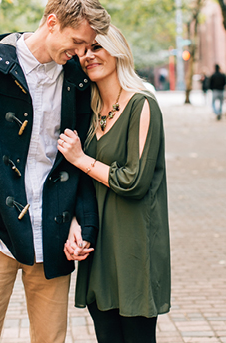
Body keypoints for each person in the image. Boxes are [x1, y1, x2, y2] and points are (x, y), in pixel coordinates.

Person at [0, 0, 110, 343]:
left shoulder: (77, 80)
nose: (82, 53)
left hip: (53, 231)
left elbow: (80, 160)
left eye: (87, 45)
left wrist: (82, 222)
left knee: (51, 339)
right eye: (77, 41)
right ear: (52, 22)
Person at [57, 25, 171, 343]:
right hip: (99, 245)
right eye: (82, 51)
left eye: (97, 48)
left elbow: (134, 180)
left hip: (134, 245)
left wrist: (80, 159)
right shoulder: (90, 113)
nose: (88, 56)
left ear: (117, 50)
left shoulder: (142, 104)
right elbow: (82, 184)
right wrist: (76, 225)